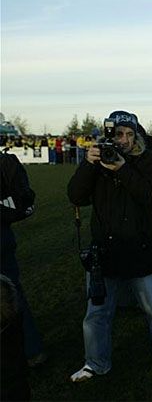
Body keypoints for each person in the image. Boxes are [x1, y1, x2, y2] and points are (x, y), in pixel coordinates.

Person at [67, 110, 152, 382]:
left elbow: (150, 194)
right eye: (119, 134)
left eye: (130, 134)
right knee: (97, 314)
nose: (125, 140)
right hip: (105, 252)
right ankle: (95, 363)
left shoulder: (145, 160)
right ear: (109, 135)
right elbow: (75, 196)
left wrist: (122, 168)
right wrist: (88, 164)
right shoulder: (96, 161)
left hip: (141, 250)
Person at [0, 152, 45, 368]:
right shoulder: (5, 162)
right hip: (3, 237)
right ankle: (32, 350)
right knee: (13, 295)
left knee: (11, 297)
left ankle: (30, 350)